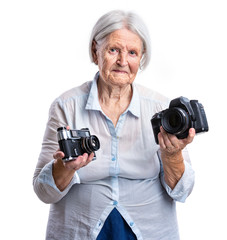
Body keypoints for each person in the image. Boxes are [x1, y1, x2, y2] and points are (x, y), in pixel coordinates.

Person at [33, 10, 195, 240]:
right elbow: (43, 191)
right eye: (113, 50)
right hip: (78, 232)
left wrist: (172, 155)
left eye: (132, 52)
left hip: (149, 232)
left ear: (141, 58)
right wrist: (65, 168)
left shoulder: (161, 109)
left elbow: (182, 191)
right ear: (94, 50)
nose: (122, 61)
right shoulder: (66, 106)